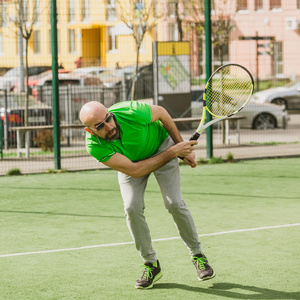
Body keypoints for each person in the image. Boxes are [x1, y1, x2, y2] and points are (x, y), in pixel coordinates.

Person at [79, 100, 215, 289]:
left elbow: (162, 113)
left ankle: (198, 255)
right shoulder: (94, 146)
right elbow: (135, 171)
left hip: (161, 146)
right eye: (100, 126)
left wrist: (179, 146)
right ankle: (151, 264)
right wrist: (175, 152)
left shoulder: (130, 111)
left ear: (110, 113)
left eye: (108, 119)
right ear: (90, 131)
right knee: (131, 207)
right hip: (135, 163)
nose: (109, 127)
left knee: (174, 203)